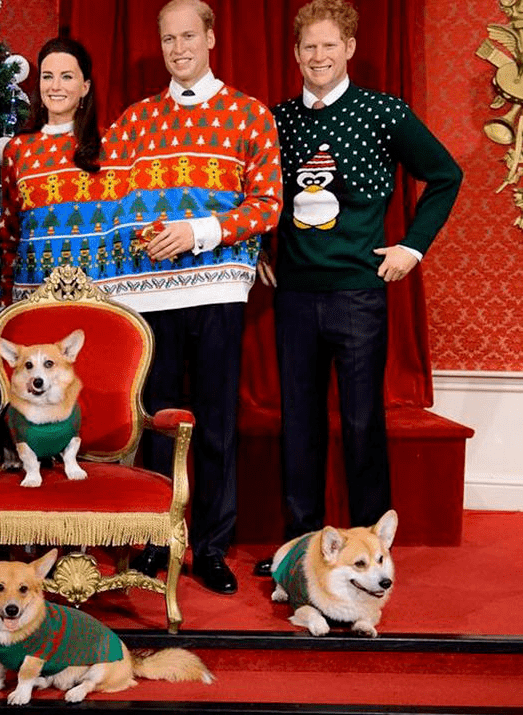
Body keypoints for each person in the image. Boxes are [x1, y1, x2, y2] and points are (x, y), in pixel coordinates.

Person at [254, 0, 462, 575]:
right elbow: (253, 195)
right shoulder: (277, 119)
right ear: (295, 54)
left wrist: (411, 247)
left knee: (362, 422)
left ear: (349, 48)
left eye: (328, 45)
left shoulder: (384, 113)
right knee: (298, 420)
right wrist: (257, 251)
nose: (317, 56)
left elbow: (446, 176)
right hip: (295, 293)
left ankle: (371, 550)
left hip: (358, 294)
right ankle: (298, 551)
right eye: (307, 47)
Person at [106, 0, 283, 595]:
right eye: (168, 38)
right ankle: (157, 541)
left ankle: (210, 546)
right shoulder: (133, 122)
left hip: (218, 290)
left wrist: (199, 231)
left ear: (210, 37)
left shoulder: (248, 114)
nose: (178, 48)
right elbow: (111, 204)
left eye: (188, 35)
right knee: (157, 421)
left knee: (214, 423)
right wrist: (145, 236)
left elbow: (267, 203)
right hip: (150, 296)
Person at [0, 36, 102, 303]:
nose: (55, 86)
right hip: (32, 296)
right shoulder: (17, 149)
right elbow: (9, 234)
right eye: (47, 77)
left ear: (85, 87)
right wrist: (6, 302)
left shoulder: (109, 145)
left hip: (94, 297)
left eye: (67, 77)